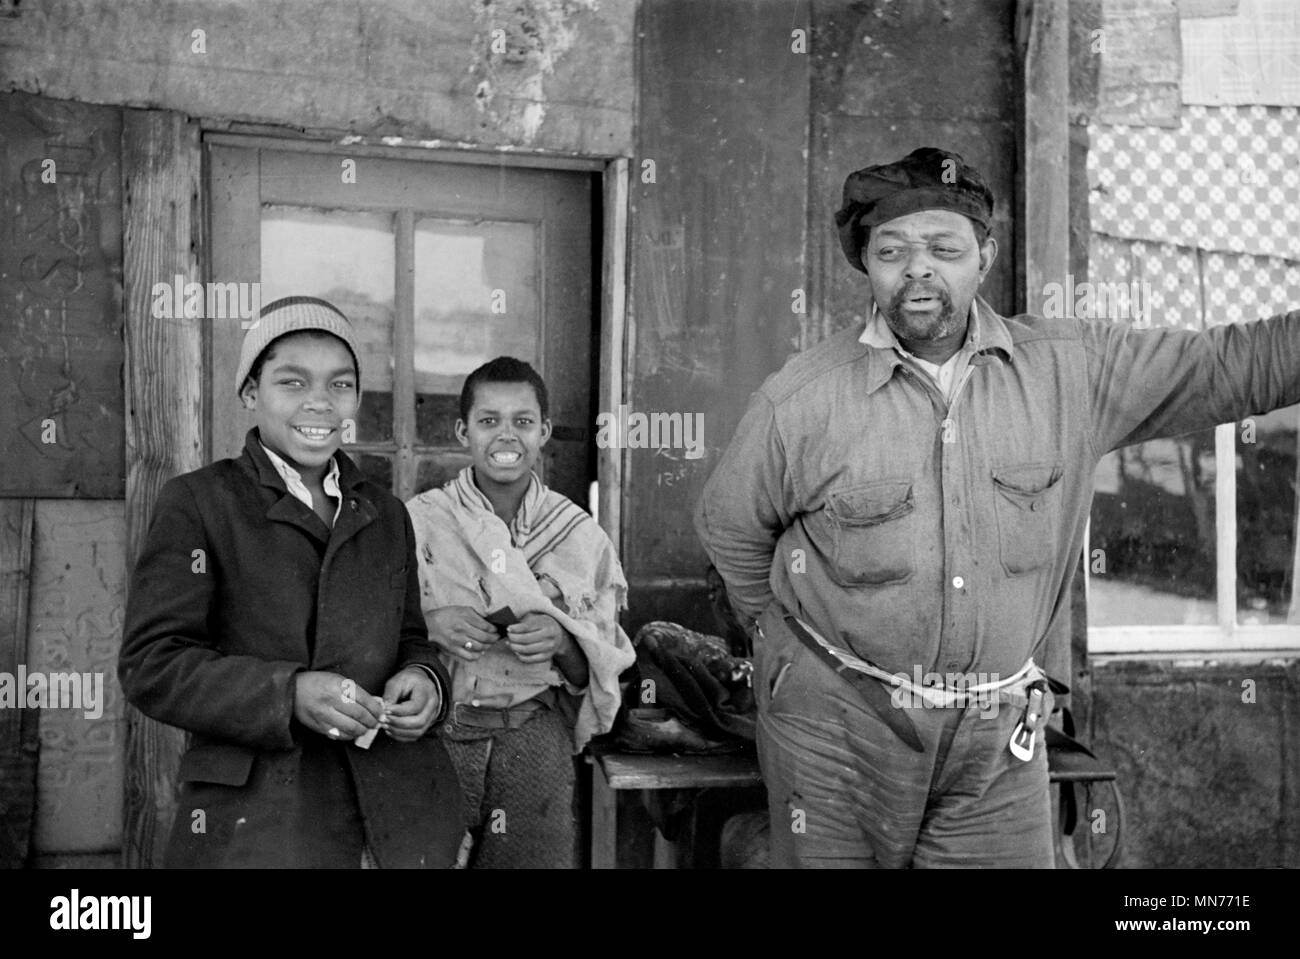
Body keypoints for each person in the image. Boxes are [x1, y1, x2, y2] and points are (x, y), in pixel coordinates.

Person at [696, 146, 1300, 868]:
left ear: (984, 254)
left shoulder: (1071, 371)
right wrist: (794, 658)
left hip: (996, 738)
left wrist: (1027, 665)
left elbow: (1232, 365)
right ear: (867, 265)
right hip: (838, 738)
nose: (917, 268)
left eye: (943, 247)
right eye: (891, 250)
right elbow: (729, 529)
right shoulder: (801, 401)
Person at [118, 296, 464, 868]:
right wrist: (288, 694)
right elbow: (152, 664)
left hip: (392, 809)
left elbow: (411, 638)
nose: (319, 403)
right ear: (251, 393)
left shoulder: (384, 512)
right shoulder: (201, 503)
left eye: (340, 385)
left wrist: (424, 680)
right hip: (260, 817)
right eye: (292, 382)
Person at [406, 356, 634, 868]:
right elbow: (373, 635)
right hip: (438, 735)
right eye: (489, 421)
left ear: (544, 432)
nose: (505, 436)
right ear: (463, 430)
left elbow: (594, 671)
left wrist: (562, 642)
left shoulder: (579, 535)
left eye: (522, 422)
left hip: (534, 740)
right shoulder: (421, 523)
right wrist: (431, 625)